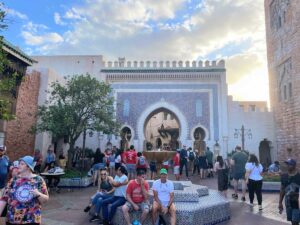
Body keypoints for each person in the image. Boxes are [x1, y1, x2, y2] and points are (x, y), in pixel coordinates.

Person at [0, 156, 49, 225]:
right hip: (12, 219)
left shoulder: (38, 180)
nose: (19, 165)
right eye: (19, 163)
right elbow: (4, 199)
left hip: (31, 220)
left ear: (28, 167)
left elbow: (45, 199)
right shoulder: (13, 180)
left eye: (22, 164)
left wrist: (38, 194)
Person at [279, 159, 300, 225]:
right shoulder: (284, 176)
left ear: (294, 166)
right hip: (288, 203)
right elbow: (282, 189)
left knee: (295, 222)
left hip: (297, 203)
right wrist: (280, 203)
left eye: (289, 164)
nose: (287, 166)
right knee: (292, 221)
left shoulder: (299, 176)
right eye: (287, 164)